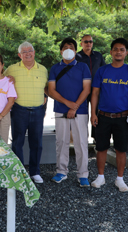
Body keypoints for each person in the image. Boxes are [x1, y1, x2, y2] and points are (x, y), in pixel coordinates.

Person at [90, 38, 128, 192]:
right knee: (101, 148)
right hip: (103, 116)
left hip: (123, 117)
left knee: (121, 149)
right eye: (116, 49)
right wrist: (93, 113)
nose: (118, 52)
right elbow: (95, 93)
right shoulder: (102, 70)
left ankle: (120, 179)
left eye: (122, 49)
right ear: (111, 52)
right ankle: (100, 176)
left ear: (126, 52)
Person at [48, 37, 91, 186]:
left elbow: (87, 88)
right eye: (65, 47)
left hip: (81, 110)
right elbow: (51, 91)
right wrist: (68, 104)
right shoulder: (54, 68)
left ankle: (83, 174)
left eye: (71, 47)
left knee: (81, 143)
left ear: (75, 50)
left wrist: (75, 106)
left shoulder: (83, 67)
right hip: (61, 110)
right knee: (61, 142)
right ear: (61, 51)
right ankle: (61, 172)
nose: (68, 49)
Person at [4, 41, 48, 183]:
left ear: (34, 53)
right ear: (19, 55)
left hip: (38, 111)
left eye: (30, 50)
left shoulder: (43, 69)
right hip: (19, 110)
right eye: (24, 51)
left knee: (37, 143)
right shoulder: (11, 69)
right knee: (18, 142)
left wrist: (45, 97)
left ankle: (35, 172)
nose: (28, 53)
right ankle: (19, 172)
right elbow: (1, 82)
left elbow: (47, 88)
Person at [76, 34, 106, 141]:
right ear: (81, 43)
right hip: (81, 90)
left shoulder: (98, 55)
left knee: (97, 114)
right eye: (86, 42)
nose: (88, 44)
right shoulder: (76, 57)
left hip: (96, 90)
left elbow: (104, 71)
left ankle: (96, 137)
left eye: (90, 42)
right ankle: (82, 138)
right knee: (82, 114)